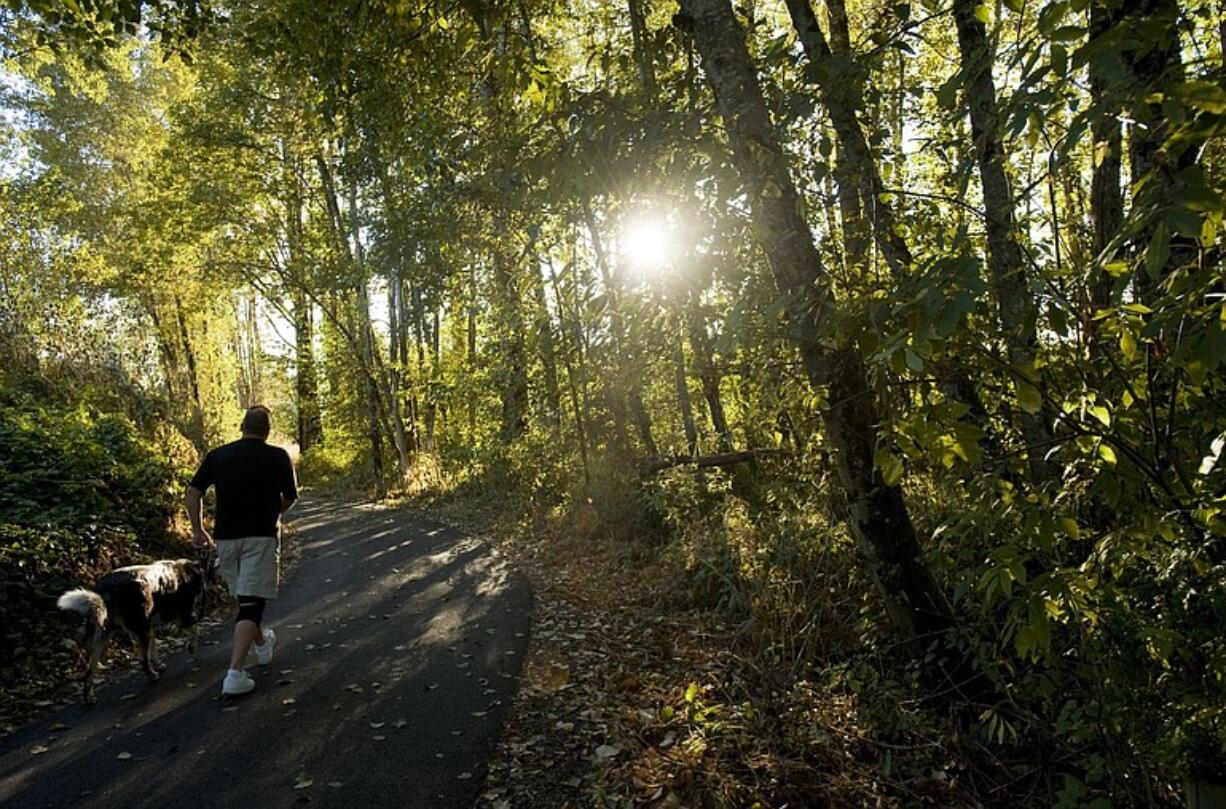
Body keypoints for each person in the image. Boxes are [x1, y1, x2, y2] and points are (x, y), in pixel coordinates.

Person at [186, 405, 298, 696]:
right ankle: (235, 674)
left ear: (242, 426)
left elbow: (193, 490)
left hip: (226, 540)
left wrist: (198, 530)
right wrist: (275, 512)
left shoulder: (218, 456)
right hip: (261, 537)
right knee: (250, 604)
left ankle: (262, 643)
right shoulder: (277, 456)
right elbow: (291, 497)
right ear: (267, 431)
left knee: (247, 600)